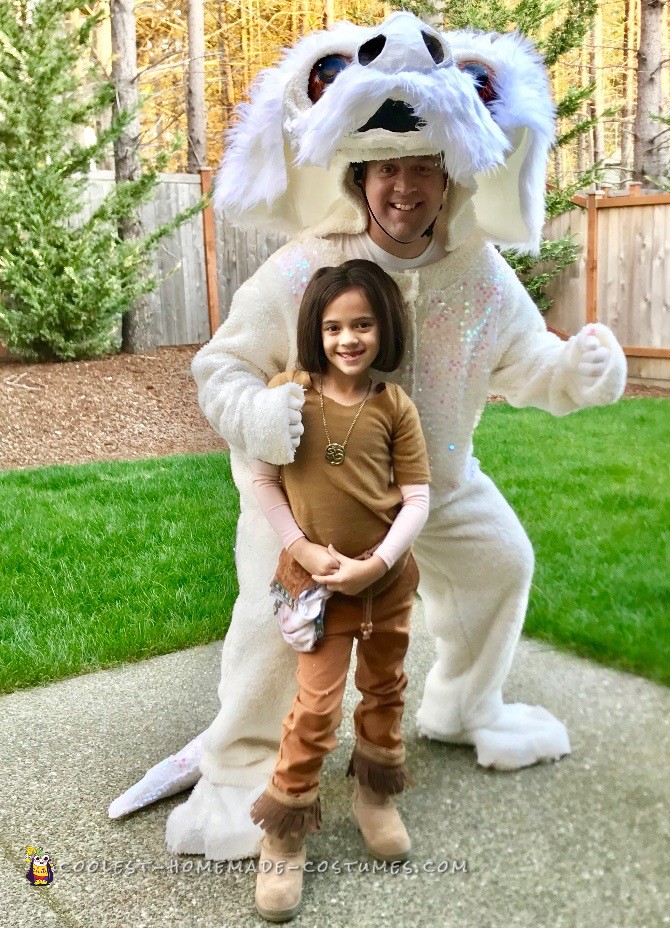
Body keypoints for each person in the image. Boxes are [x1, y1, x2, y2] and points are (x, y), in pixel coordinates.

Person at [110, 13, 627, 863]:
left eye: (423, 167)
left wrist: (576, 372)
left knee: (502, 561)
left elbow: (524, 358)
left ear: (453, 175)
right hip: (311, 499)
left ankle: (464, 706)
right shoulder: (305, 266)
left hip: (439, 483)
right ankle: (240, 770)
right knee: (279, 627)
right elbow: (222, 367)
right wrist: (258, 419)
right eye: (387, 166)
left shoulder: (479, 271)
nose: (404, 187)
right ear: (359, 173)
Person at [248, 259, 430, 920]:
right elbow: (262, 481)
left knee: (385, 688)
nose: (348, 338)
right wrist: (300, 549)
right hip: (313, 586)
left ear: (384, 328)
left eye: (362, 324)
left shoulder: (394, 406)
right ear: (314, 332)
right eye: (333, 326)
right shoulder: (287, 394)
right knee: (317, 705)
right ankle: (285, 826)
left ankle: (374, 793)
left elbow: (417, 499)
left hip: (384, 587)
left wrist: (378, 563)